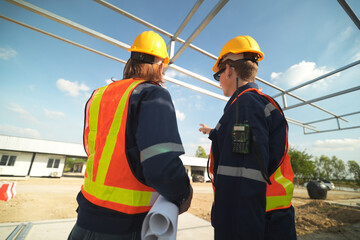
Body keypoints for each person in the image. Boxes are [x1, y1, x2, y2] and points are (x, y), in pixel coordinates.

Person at [68, 31, 192, 240]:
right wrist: (183, 193)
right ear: (160, 65)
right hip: (126, 226)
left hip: (84, 220)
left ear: (131, 61)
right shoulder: (153, 93)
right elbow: (160, 164)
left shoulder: (98, 95)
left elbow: (92, 150)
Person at [199, 35, 296, 239]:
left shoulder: (245, 107)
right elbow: (247, 153)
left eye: (218, 76)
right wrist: (213, 132)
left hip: (254, 226)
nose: (218, 83)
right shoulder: (255, 105)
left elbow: (242, 180)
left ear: (228, 69)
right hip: (271, 222)